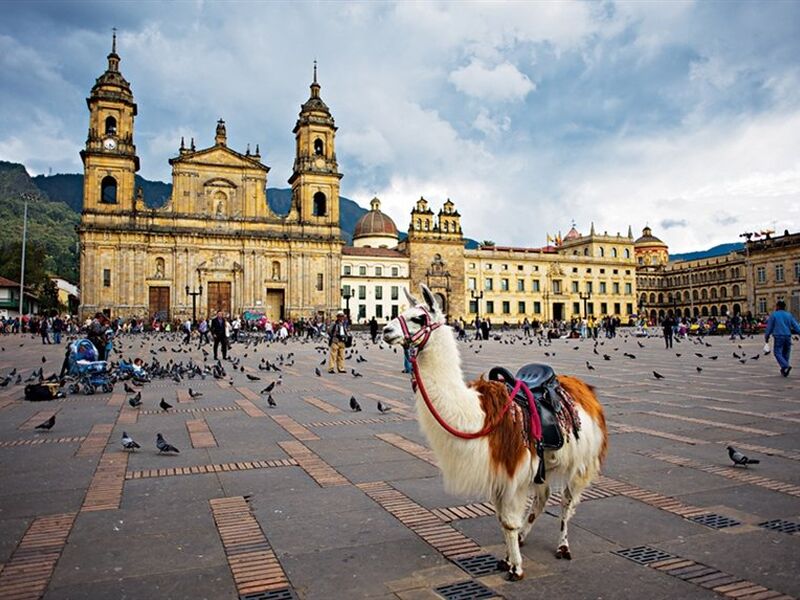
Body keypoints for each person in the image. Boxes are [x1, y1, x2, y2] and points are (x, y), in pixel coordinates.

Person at [765, 300, 800, 377]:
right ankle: (784, 369)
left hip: (778, 336)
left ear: (777, 306)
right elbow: (796, 326)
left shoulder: (774, 315)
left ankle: (785, 366)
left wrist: (766, 337)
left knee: (777, 352)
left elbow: (769, 328)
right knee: (786, 353)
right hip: (787, 336)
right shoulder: (789, 315)